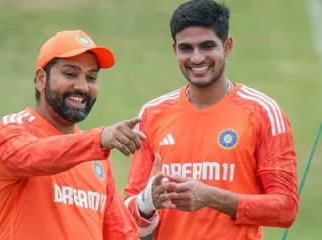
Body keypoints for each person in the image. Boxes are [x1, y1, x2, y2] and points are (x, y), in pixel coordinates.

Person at [123, 0, 299, 239]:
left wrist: (210, 197)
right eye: (186, 48)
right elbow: (126, 212)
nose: (196, 58)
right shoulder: (152, 113)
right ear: (174, 49)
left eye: (207, 46)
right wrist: (147, 201)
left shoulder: (263, 111)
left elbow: (286, 208)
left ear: (227, 46)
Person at [0, 30, 144, 240]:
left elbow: (121, 234)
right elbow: (30, 155)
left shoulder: (97, 157)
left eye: (91, 77)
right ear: (41, 79)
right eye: (70, 74)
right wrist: (97, 139)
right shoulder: (11, 130)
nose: (82, 86)